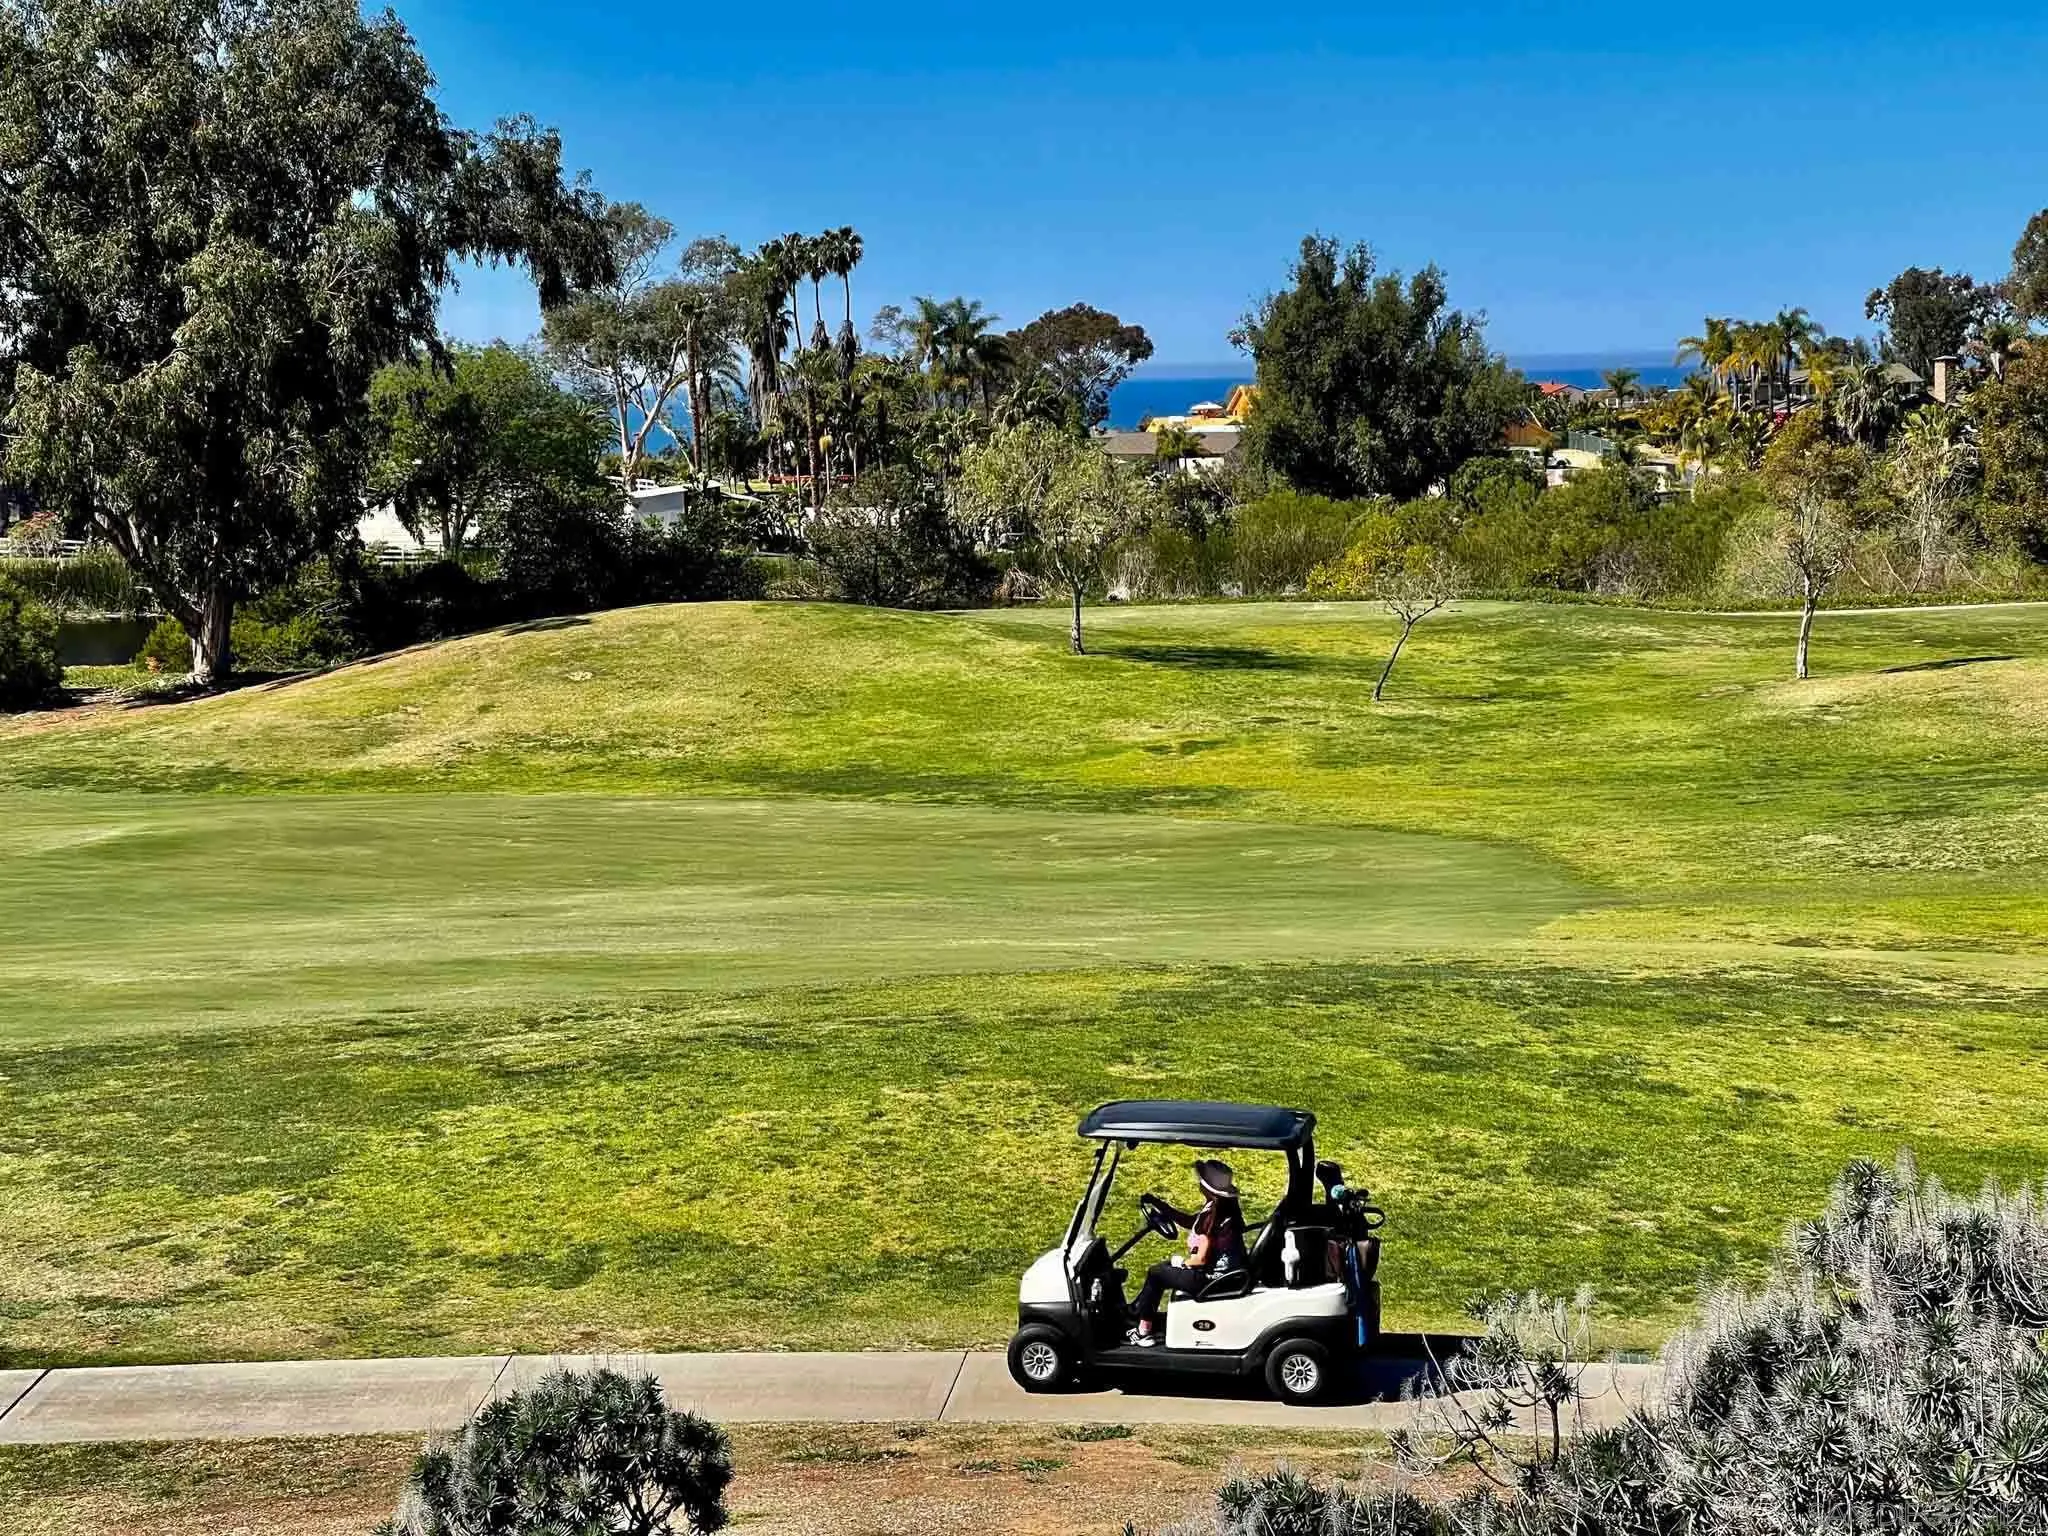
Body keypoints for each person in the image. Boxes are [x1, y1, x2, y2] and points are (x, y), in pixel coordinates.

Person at [1128, 1159, 1248, 1346]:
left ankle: (1144, 1331)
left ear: (1207, 1188)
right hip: (1223, 1276)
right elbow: (1189, 1221)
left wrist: (1183, 1263)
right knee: (1165, 1268)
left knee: (1156, 1273)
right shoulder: (1221, 1210)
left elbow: (1200, 1259)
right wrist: (1160, 1205)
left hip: (1210, 1280)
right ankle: (1137, 1310)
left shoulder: (1214, 1218)